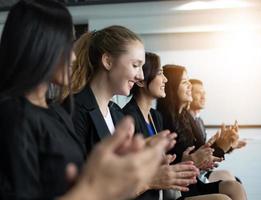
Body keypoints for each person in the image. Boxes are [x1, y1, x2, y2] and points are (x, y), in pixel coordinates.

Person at [0, 1, 172, 200]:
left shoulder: (55, 113)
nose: (72, 57)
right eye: (65, 45)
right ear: (41, 47)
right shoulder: (14, 116)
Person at [157, 65, 247, 200]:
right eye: (184, 82)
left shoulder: (184, 119)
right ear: (172, 87)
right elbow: (189, 161)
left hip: (194, 181)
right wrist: (221, 147)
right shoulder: (164, 119)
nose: (190, 87)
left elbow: (200, 157)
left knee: (235, 186)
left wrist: (224, 145)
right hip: (181, 188)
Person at [123, 52, 201, 200]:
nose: (165, 79)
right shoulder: (129, 118)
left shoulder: (155, 116)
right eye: (160, 73)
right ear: (141, 81)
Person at [189, 79, 247, 183]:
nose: (203, 97)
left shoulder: (199, 120)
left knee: (236, 181)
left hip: (201, 171)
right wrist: (223, 145)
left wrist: (229, 145)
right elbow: (201, 153)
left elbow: (207, 149)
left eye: (204, 93)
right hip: (195, 175)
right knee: (234, 183)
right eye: (198, 93)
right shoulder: (186, 120)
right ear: (188, 94)